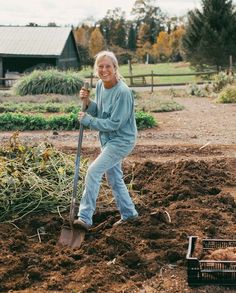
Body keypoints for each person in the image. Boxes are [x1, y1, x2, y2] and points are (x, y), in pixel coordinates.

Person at [73, 50, 138, 231]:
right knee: (114, 178)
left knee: (93, 172)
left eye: (108, 66)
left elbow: (115, 122)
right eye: (100, 66)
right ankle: (130, 214)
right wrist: (87, 102)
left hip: (121, 140)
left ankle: (84, 218)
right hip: (108, 139)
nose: (104, 70)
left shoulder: (123, 92)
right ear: (96, 69)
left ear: (115, 68)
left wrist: (89, 121)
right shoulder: (101, 86)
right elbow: (100, 110)